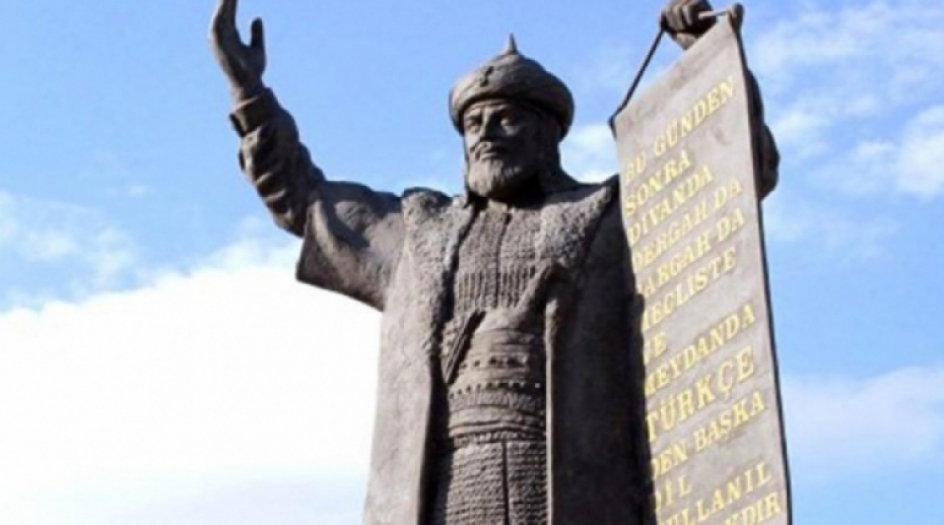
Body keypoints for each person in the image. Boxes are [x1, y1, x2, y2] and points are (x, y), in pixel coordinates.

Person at [209, 1, 778, 524]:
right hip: (445, 490)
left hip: (567, 488)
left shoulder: (606, 215)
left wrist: (706, 59)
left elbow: (731, 169)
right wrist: (248, 91)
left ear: (547, 132)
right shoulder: (419, 229)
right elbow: (302, 198)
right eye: (473, 124)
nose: (485, 135)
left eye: (505, 119)